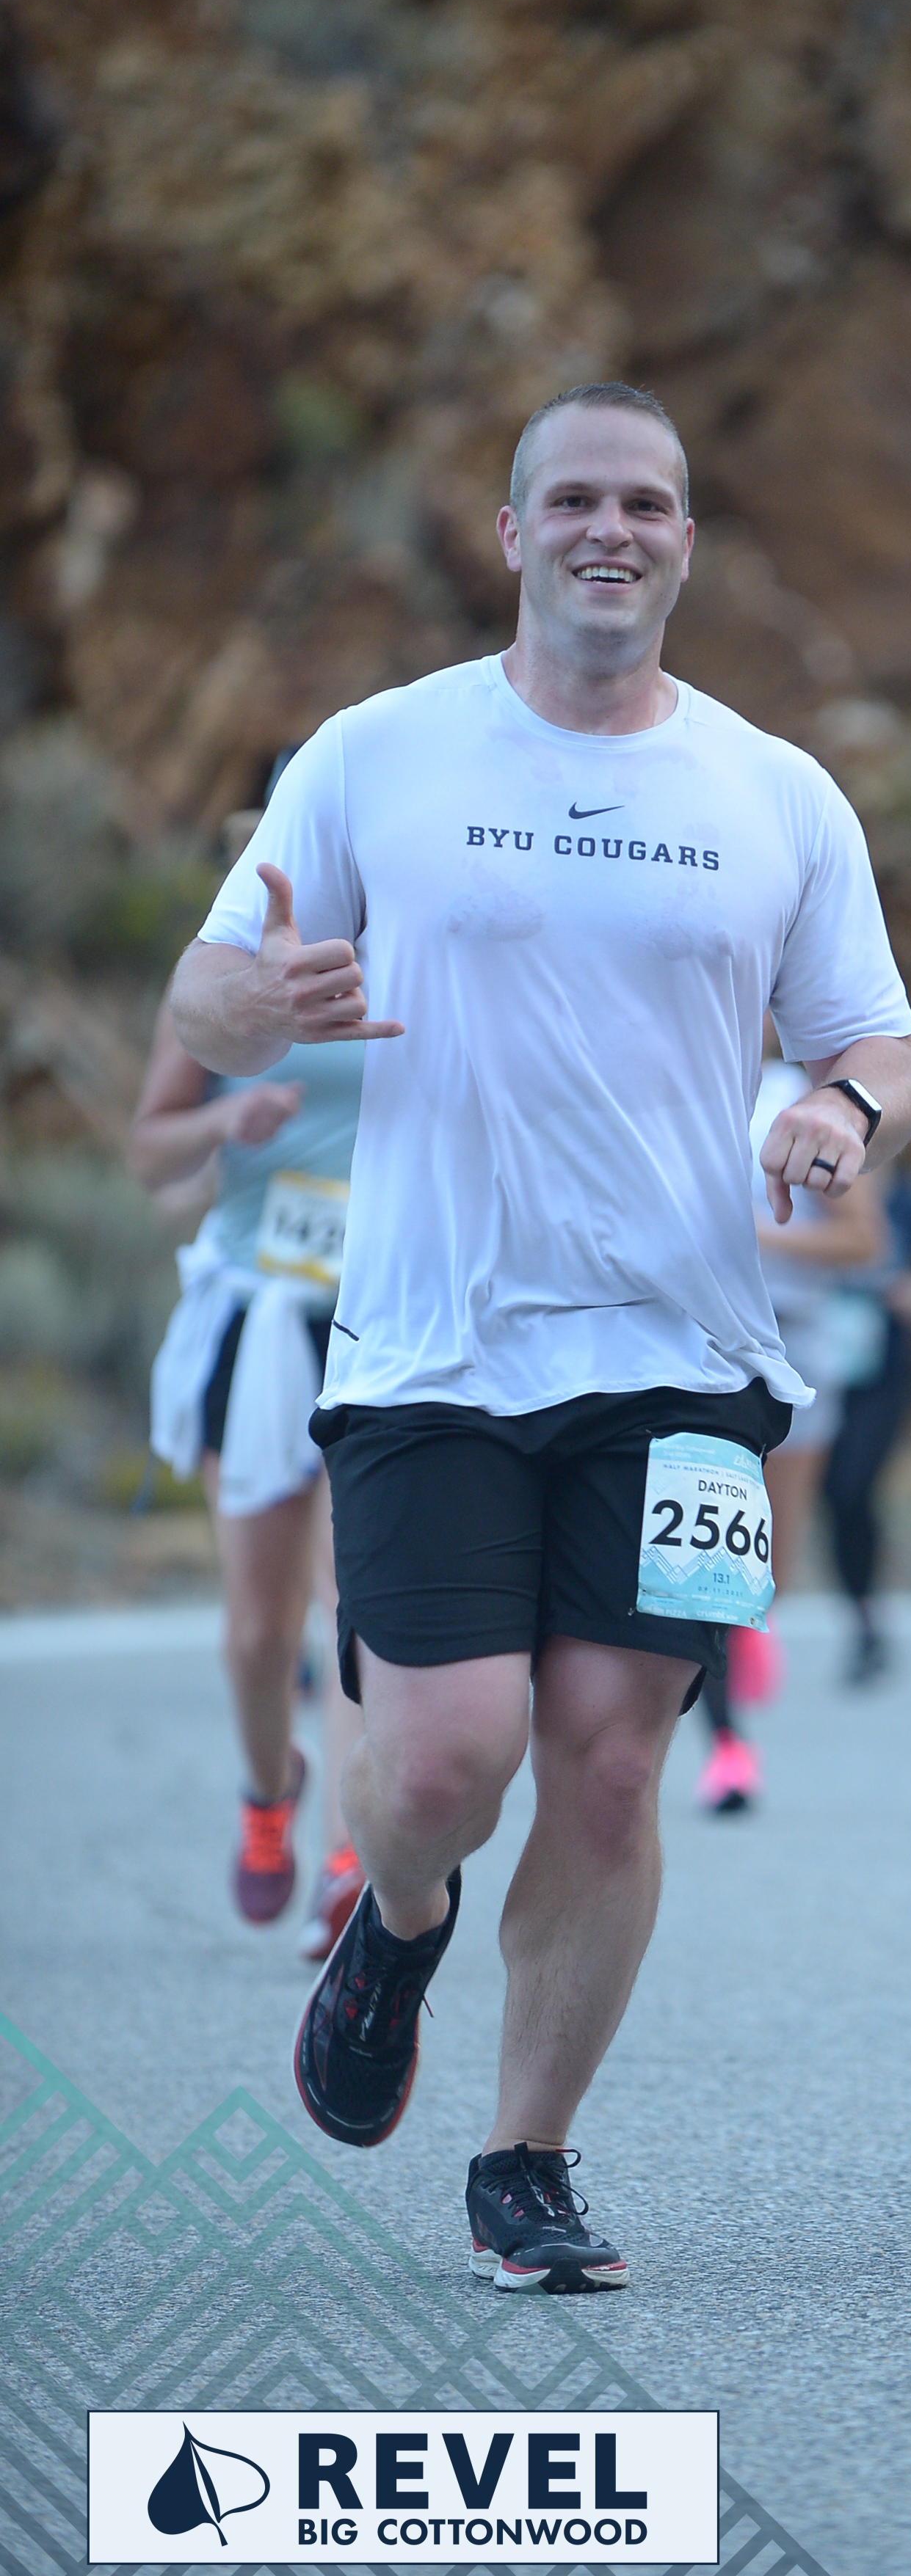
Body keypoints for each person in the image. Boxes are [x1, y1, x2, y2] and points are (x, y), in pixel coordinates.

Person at [168, 380, 911, 2292]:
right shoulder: (378, 753)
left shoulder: (774, 790)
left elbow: (876, 1038)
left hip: (686, 1360)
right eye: (574, 499)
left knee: (606, 1769)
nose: (611, 529)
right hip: (432, 1345)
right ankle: (398, 1922)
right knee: (442, 1763)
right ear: (514, 534)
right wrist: (259, 1005)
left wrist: (844, 1112)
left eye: (646, 503)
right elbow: (207, 986)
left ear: (687, 540)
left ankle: (527, 2157)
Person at [134, 775, 368, 1958]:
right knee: (256, 1631)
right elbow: (149, 1148)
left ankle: (350, 1863)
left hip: (381, 1320)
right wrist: (226, 1123)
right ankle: (271, 1792)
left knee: (354, 1611)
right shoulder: (223, 977)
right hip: (259, 1314)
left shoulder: (427, 952)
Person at [694, 1045, 886, 1812]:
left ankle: (742, 1636)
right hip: (695, 1343)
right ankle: (727, 1740)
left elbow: (863, 1240)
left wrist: (755, 1237)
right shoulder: (664, 1080)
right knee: (707, 1546)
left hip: (790, 1340)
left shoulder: (798, 1102)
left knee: (770, 1554)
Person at [821, 1161, 911, 1684]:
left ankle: (867, 1618)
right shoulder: (811, 1185)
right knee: (833, 1498)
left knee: (854, 1488)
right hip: (816, 1369)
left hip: (884, 1375)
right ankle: (861, 1618)